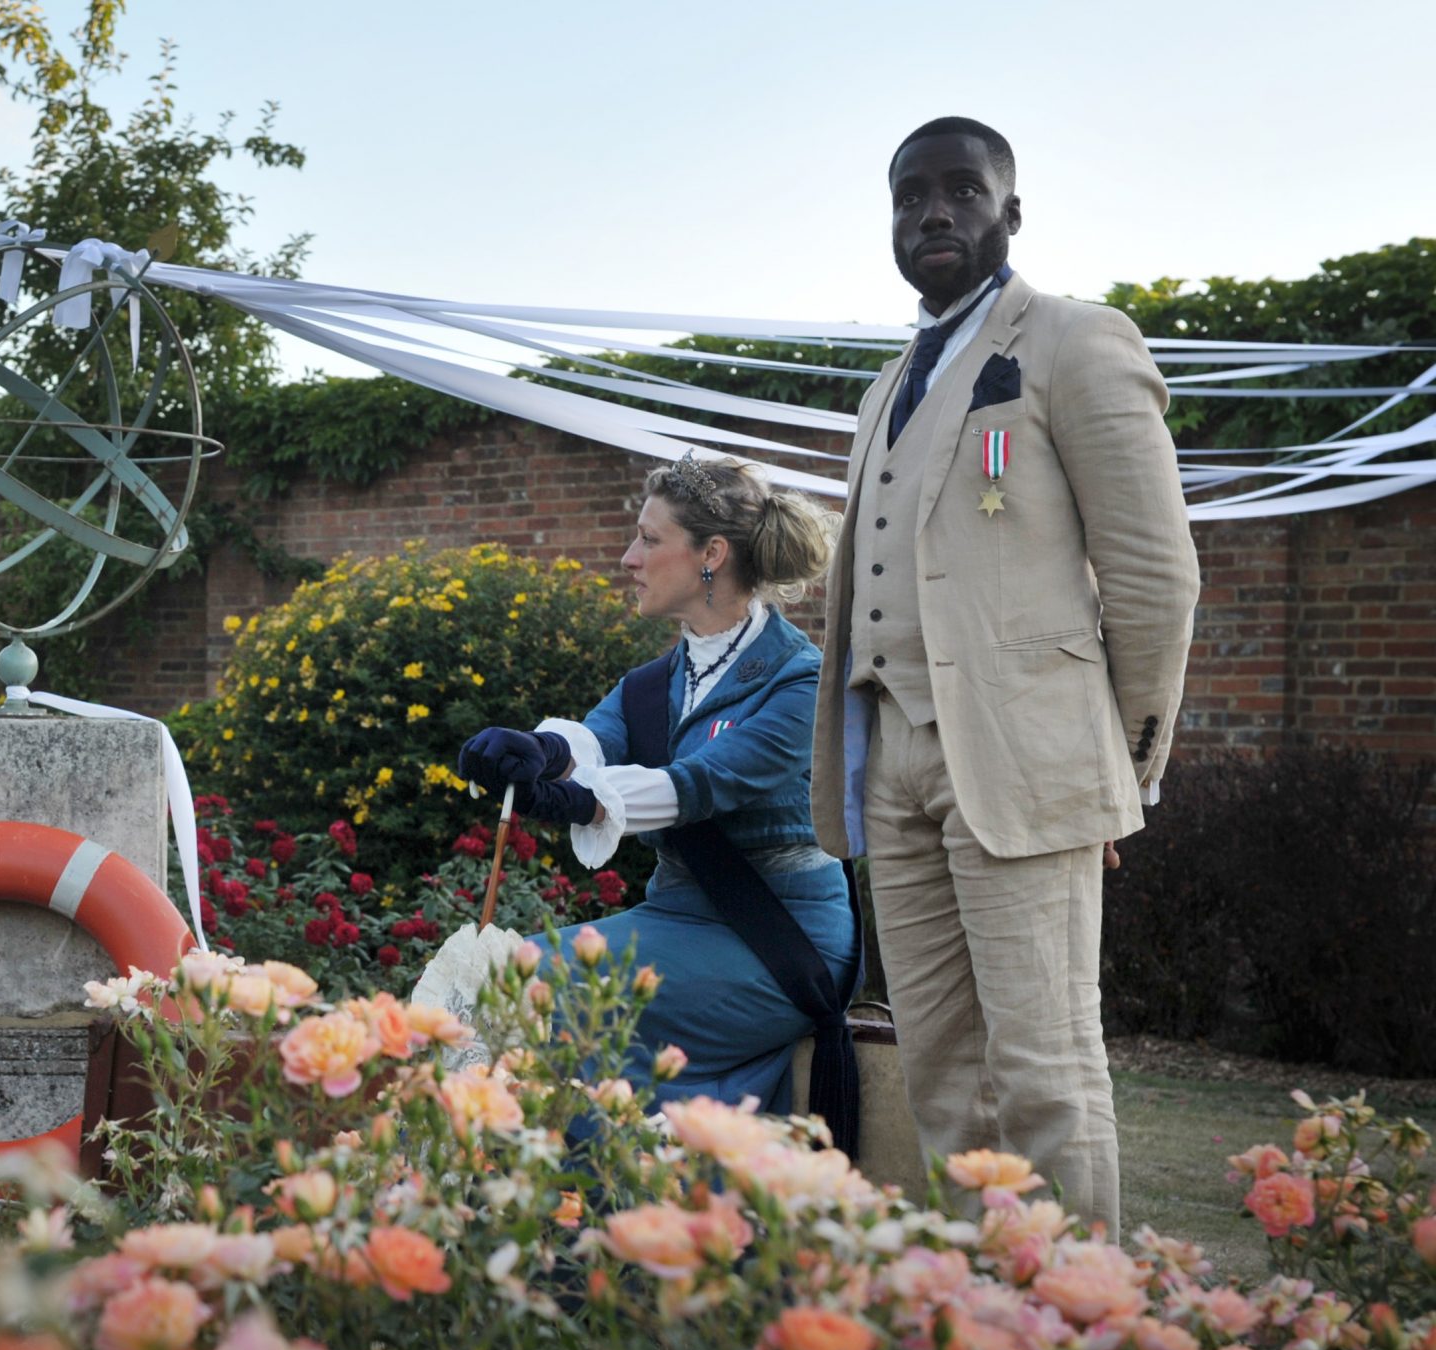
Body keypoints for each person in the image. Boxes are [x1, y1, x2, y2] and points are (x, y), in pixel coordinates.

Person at [811, 118, 1199, 1230]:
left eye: (962, 192)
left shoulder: (1078, 342)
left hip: (1026, 756)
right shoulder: (886, 384)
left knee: (1044, 1064)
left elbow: (1153, 577)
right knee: (937, 1069)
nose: (932, 213)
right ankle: (976, 1322)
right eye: (909, 197)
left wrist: (1122, 766)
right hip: (889, 761)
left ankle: (1080, 1334)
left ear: (1009, 213)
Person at [458, 457, 859, 1133]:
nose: (627, 558)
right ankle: (586, 1210)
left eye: (648, 539)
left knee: (530, 987)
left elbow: (703, 784)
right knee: (499, 973)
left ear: (712, 555)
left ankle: (610, 1201)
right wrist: (537, 753)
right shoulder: (652, 684)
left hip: (780, 941)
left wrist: (572, 803)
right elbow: (593, 742)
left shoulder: (798, 684)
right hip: (673, 920)